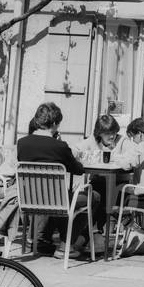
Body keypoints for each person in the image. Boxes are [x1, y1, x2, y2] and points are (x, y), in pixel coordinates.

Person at [16, 102, 89, 258]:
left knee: (61, 197)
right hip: (55, 200)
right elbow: (78, 170)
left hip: (30, 199)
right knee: (91, 198)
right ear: (55, 123)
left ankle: (39, 239)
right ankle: (64, 246)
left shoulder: (22, 143)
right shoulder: (60, 146)